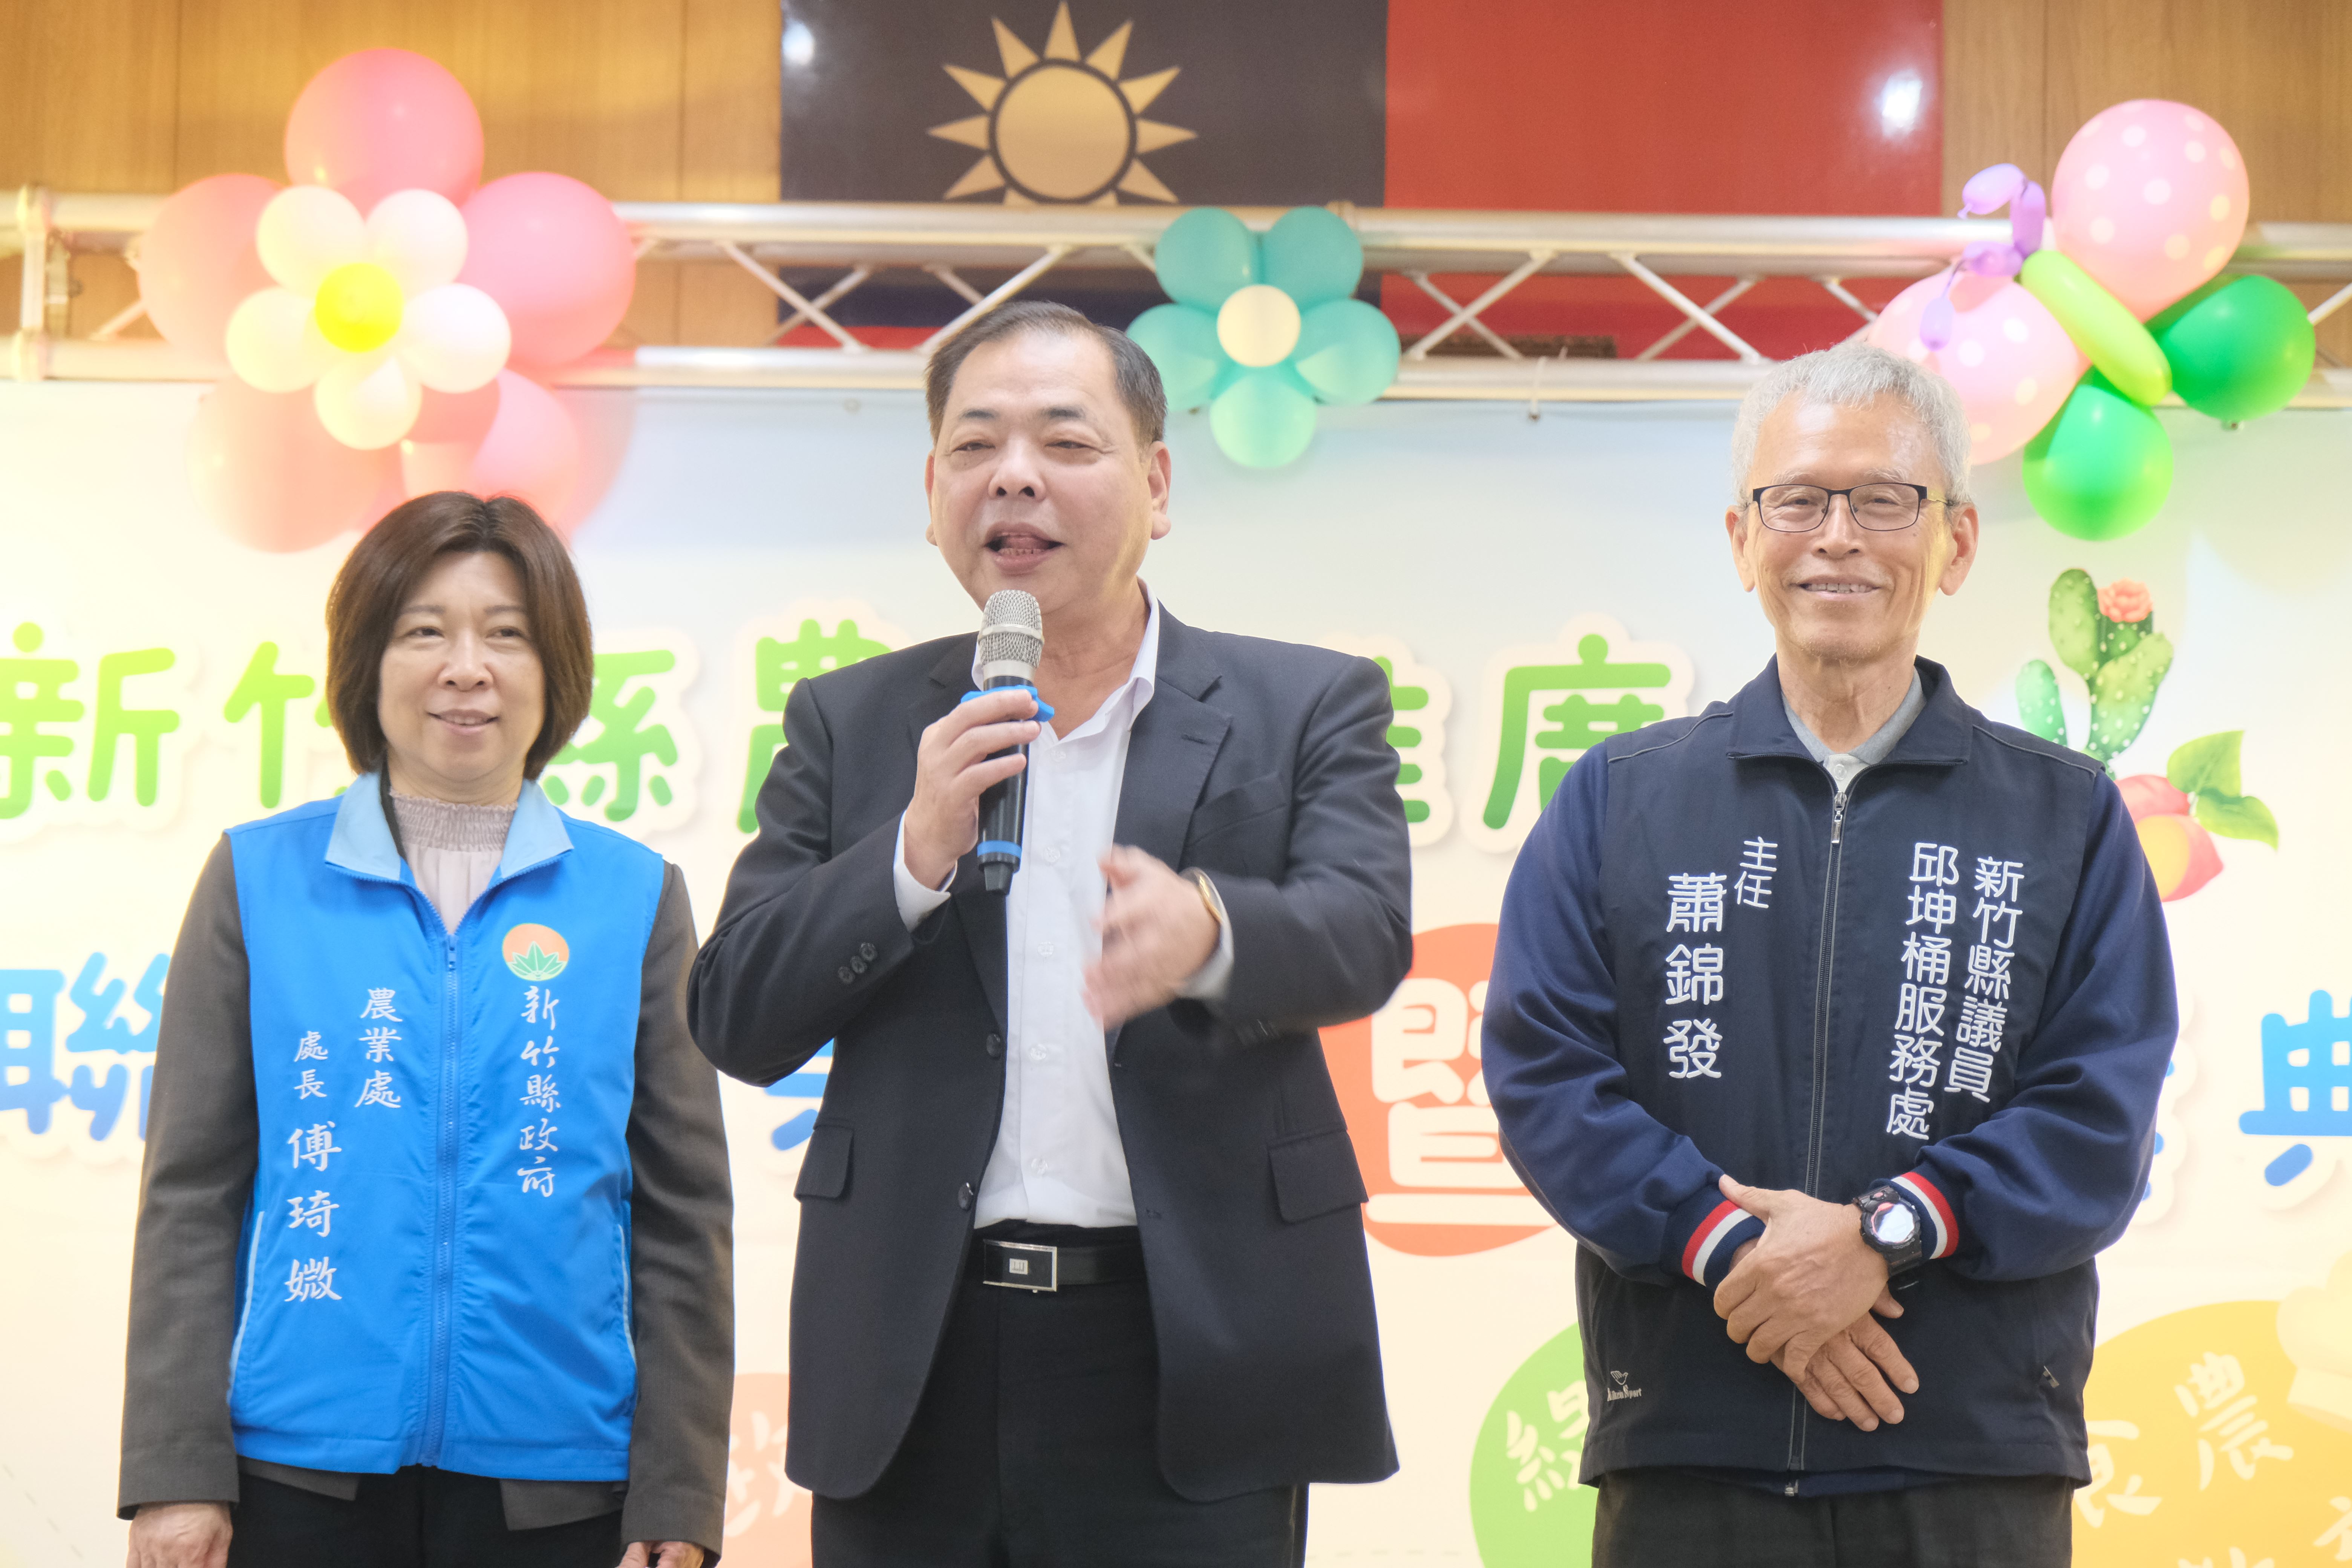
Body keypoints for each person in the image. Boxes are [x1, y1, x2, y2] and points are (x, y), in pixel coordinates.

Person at [689, 300, 1411, 1565]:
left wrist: (1211, 933)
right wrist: (910, 856)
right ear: (933, 496)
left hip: (1191, 1354)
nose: (1014, 476)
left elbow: (1364, 934)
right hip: (916, 1360)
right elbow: (736, 1014)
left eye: (1066, 443)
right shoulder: (853, 724)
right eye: (976, 447)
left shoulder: (1302, 703)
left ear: (1158, 484)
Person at [1483, 343, 2176, 1567]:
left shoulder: (2066, 815)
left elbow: (2099, 1111)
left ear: (1956, 541)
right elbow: (1547, 1077)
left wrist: (1885, 1233)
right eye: (1798, 500)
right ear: (1743, 538)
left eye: (1885, 500)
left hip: (1966, 1445)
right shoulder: (1620, 797)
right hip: (1695, 1430)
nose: (1838, 537)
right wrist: (1737, 1250)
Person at [118, 494, 733, 1568]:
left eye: (507, 634)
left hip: (559, 1487)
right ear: (367, 662)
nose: (466, 668)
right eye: (424, 631)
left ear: (555, 669)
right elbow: (191, 1192)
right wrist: (175, 1472)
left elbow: (683, 1219)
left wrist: (678, 1496)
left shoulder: (635, 897)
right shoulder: (258, 877)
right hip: (295, 1477)